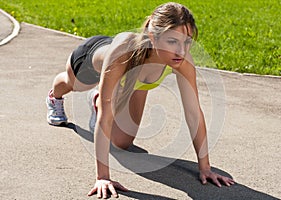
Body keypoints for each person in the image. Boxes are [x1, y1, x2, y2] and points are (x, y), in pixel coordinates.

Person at [46, 2, 235, 198]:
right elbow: (105, 115)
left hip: (136, 83)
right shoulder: (122, 53)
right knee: (71, 84)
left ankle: (97, 98)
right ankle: (54, 97)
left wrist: (205, 167)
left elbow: (193, 113)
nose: (181, 50)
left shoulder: (182, 60)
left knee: (121, 143)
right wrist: (103, 177)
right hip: (90, 64)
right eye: (172, 41)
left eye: (186, 42)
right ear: (153, 37)